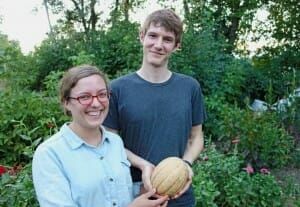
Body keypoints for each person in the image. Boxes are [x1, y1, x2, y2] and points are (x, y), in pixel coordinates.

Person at [103, 9, 207, 207]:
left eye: (167, 39)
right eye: (153, 36)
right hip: (135, 194)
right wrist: (143, 165)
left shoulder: (190, 87)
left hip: (179, 194)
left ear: (177, 46)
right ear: (141, 36)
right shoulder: (117, 89)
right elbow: (110, 142)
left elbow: (196, 137)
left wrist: (186, 164)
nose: (158, 45)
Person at [32, 65, 169, 207]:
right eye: (84, 97)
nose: (96, 103)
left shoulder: (115, 142)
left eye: (102, 94)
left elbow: (119, 194)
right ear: (66, 102)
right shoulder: (49, 154)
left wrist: (152, 192)